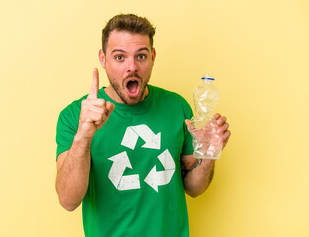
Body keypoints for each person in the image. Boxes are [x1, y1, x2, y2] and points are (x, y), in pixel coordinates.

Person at [55, 14, 231, 237]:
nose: (132, 67)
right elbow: (68, 200)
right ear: (103, 58)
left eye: (141, 56)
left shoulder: (177, 107)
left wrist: (208, 154)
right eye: (120, 57)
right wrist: (83, 136)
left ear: (153, 56)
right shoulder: (74, 117)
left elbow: (194, 188)